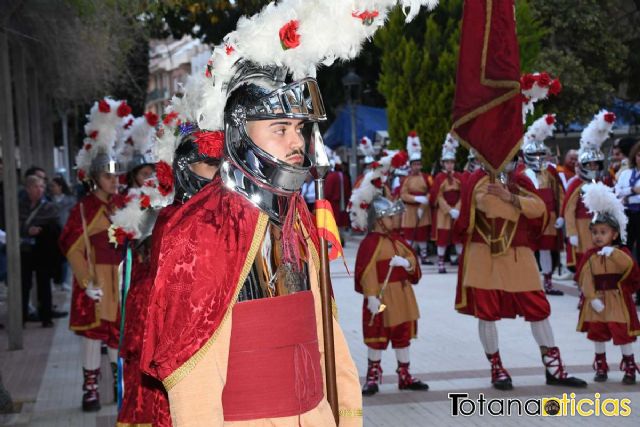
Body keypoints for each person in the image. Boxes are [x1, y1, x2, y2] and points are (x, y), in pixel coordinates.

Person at [138, 2, 392, 421]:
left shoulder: (297, 220)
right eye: (280, 129)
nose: (297, 142)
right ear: (239, 136)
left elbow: (325, 335)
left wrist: (344, 413)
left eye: (300, 128)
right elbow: (191, 372)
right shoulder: (202, 229)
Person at [116, 113, 220, 426]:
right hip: (179, 340)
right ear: (184, 168)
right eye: (209, 165)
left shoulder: (222, 211)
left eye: (219, 165)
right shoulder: (172, 219)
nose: (216, 175)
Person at [454, 156, 587, 390]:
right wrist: (518, 206)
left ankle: (554, 368)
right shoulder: (477, 178)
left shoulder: (521, 179)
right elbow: (489, 206)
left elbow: (539, 209)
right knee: (487, 312)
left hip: (518, 252)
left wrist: (510, 197)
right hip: (483, 253)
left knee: (538, 309)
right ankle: (496, 368)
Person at [59, 98, 131, 412]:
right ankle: (90, 390)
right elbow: (70, 245)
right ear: (95, 177)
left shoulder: (126, 203)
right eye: (107, 176)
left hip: (120, 276)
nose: (114, 181)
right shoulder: (83, 209)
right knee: (92, 336)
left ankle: (118, 385)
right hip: (95, 278)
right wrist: (86, 280)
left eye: (116, 176)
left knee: (119, 335)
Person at [354, 192, 428, 396]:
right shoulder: (369, 244)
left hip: (403, 297)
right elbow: (367, 273)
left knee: (403, 334)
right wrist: (370, 296)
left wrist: (407, 263)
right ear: (378, 220)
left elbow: (412, 262)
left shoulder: (397, 240)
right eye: (389, 217)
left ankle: (405, 375)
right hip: (381, 298)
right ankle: (372, 375)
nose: (393, 220)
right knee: (376, 334)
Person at [576, 182, 640, 384]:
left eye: (603, 232)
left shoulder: (621, 253)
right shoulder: (590, 256)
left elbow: (631, 270)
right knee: (598, 333)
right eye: (594, 232)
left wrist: (615, 255)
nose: (598, 236)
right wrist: (591, 298)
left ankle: (629, 366)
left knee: (622, 333)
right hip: (597, 301)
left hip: (617, 300)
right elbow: (584, 277)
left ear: (614, 234)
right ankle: (601, 365)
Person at [561, 110, 616, 270]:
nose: (593, 167)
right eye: (589, 164)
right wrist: (571, 232)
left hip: (603, 225)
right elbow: (569, 210)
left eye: (595, 164)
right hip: (581, 226)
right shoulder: (575, 183)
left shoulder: (604, 180)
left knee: (601, 262)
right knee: (585, 261)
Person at [521, 114, 565, 295]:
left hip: (550, 217)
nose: (538, 158)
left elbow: (560, 194)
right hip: (529, 215)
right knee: (528, 248)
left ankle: (547, 281)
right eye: (534, 155)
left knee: (547, 248)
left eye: (541, 154)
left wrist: (561, 215)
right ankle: (528, 281)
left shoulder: (550, 172)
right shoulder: (521, 172)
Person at [19, 175, 62, 327]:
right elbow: (14, 223)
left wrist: (41, 230)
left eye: (42, 187)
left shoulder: (48, 207)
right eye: (36, 187)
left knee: (44, 283)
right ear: (28, 189)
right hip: (24, 249)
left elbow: (56, 226)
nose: (40, 190)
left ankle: (46, 316)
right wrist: (26, 230)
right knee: (23, 284)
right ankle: (22, 316)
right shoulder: (20, 205)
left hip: (42, 250)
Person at [430, 134, 462, 273]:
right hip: (444, 213)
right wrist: (449, 210)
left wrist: (458, 209)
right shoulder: (439, 178)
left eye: (452, 162)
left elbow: (463, 194)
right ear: (443, 163)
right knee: (442, 238)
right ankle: (441, 263)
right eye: (447, 162)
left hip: (457, 211)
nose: (449, 165)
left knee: (459, 237)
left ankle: (461, 261)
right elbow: (437, 195)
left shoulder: (459, 177)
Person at [400, 132, 432, 264]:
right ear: (411, 165)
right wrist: (415, 199)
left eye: (419, 164)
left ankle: (423, 256)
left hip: (423, 210)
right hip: (410, 210)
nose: (417, 167)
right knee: (409, 234)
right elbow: (403, 194)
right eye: (414, 164)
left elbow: (432, 191)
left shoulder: (426, 178)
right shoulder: (406, 179)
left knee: (422, 235)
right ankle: (409, 255)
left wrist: (424, 202)